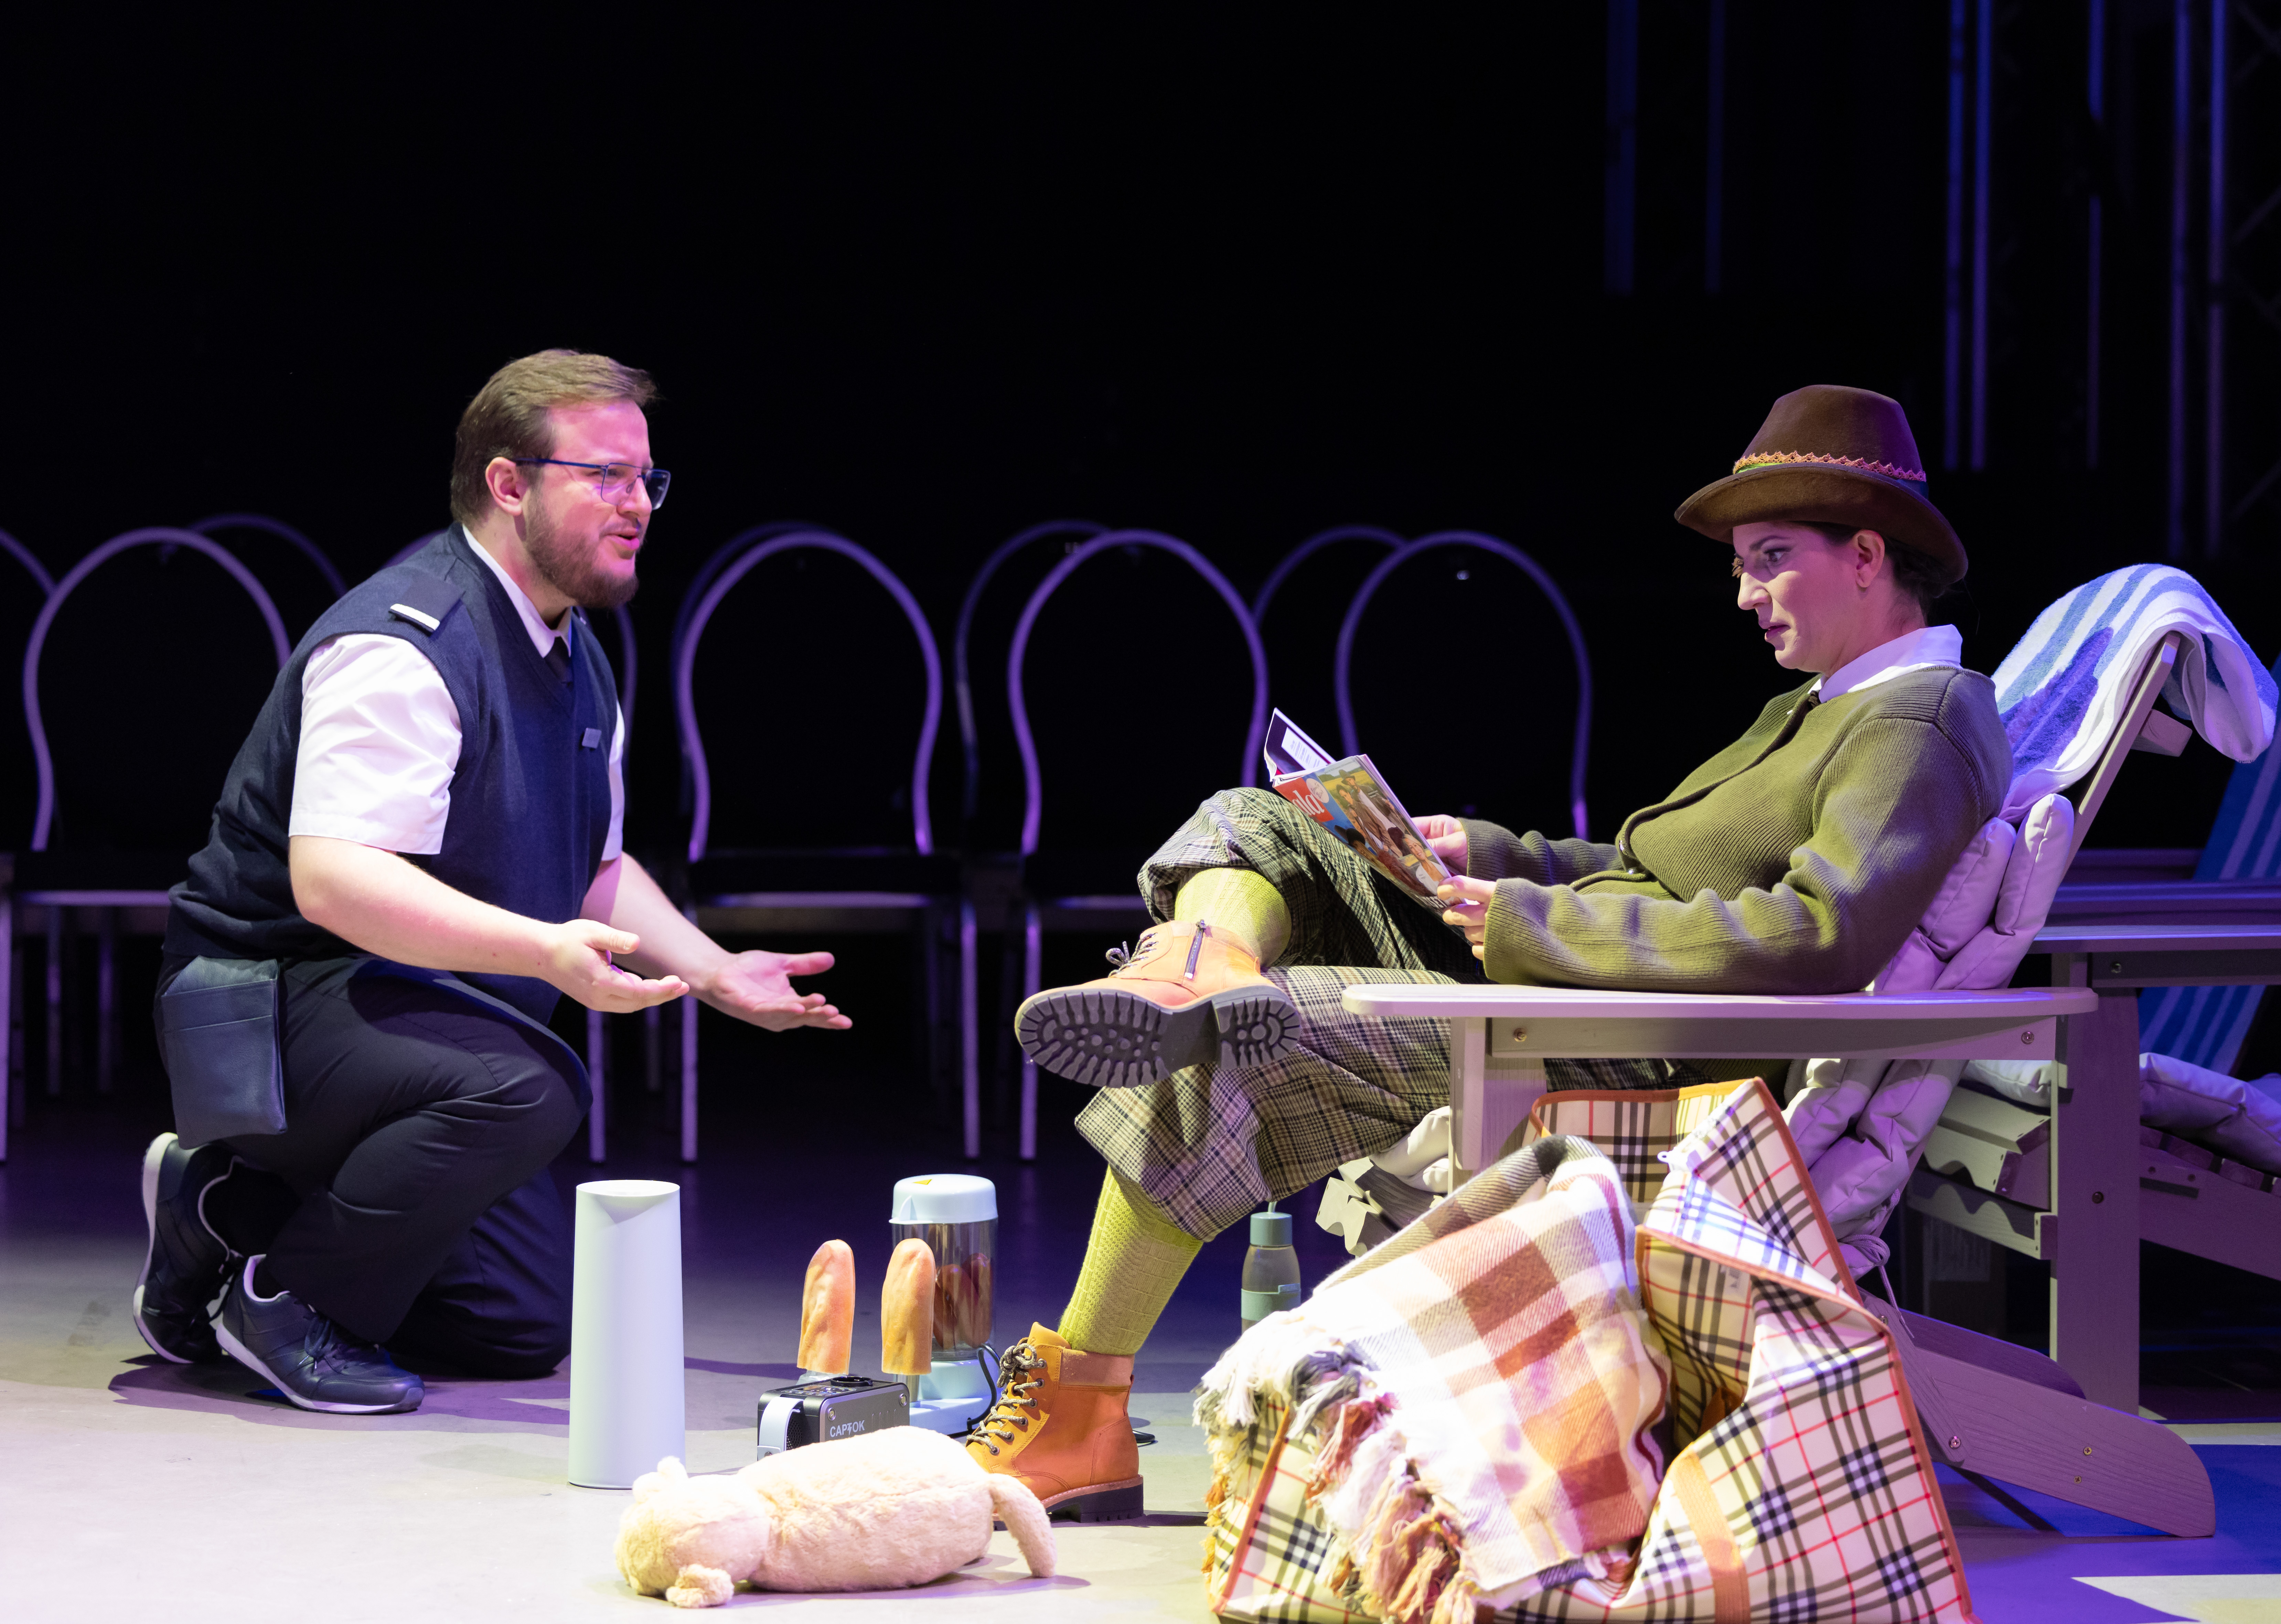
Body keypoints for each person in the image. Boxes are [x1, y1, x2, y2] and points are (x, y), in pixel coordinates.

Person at [966, 384, 2011, 1518]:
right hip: (1578, 989)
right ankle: (1195, 962)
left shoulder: (1916, 723)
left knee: (1242, 1038)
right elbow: (1653, 870)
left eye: (1770, 560)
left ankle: (1082, 1407)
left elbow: (1816, 933)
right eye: (1742, 566)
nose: (1745, 594)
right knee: (1259, 819)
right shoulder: (1835, 702)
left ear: (1867, 554)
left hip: (1638, 1049)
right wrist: (1496, 853)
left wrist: (1524, 921)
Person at [136, 350, 850, 1415]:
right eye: (604, 475)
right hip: (258, 1006)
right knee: (530, 1085)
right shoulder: (407, 642)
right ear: (509, 484)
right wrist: (541, 950)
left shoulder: (575, 651)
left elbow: (592, 863)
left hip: (382, 1013)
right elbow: (332, 882)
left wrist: (714, 972)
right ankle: (285, 1301)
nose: (638, 505)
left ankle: (227, 1211)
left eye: (647, 479)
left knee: (514, 1323)